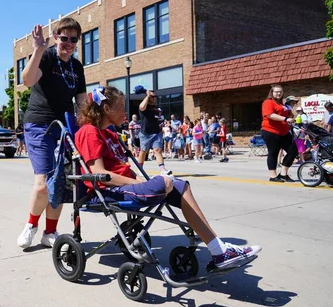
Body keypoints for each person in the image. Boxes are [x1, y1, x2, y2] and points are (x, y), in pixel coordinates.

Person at [74, 86, 261, 269]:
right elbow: (100, 175)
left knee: (181, 186)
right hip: (108, 191)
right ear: (106, 109)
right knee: (165, 181)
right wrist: (139, 182)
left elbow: (121, 168)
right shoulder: (89, 132)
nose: (125, 112)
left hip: (126, 187)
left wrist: (140, 180)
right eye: (122, 107)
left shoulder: (110, 133)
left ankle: (218, 250)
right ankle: (219, 250)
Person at [17, 18, 87, 249]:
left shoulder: (76, 67)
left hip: (65, 128)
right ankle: (31, 225)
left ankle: (50, 232)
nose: (67, 43)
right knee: (44, 182)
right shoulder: (46, 57)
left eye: (73, 39)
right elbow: (27, 81)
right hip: (40, 124)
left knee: (61, 183)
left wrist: (88, 124)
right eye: (63, 38)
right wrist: (37, 50)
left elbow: (82, 101)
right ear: (56, 37)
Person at [261, 85, 298, 182]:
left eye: (280, 92)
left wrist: (290, 115)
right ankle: (273, 176)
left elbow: (286, 115)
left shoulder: (282, 104)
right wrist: (285, 118)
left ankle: (283, 174)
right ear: (272, 93)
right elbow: (270, 115)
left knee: (293, 150)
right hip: (270, 131)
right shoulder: (268, 102)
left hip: (284, 132)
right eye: (276, 92)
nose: (279, 93)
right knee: (273, 152)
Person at [137, 90, 171, 174]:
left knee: (158, 150)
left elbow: (158, 119)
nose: (154, 98)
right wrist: (147, 96)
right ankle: (140, 169)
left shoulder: (157, 109)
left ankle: (163, 170)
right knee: (143, 151)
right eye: (152, 96)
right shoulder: (144, 107)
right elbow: (141, 107)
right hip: (145, 133)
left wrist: (161, 125)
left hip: (156, 133)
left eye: (155, 96)